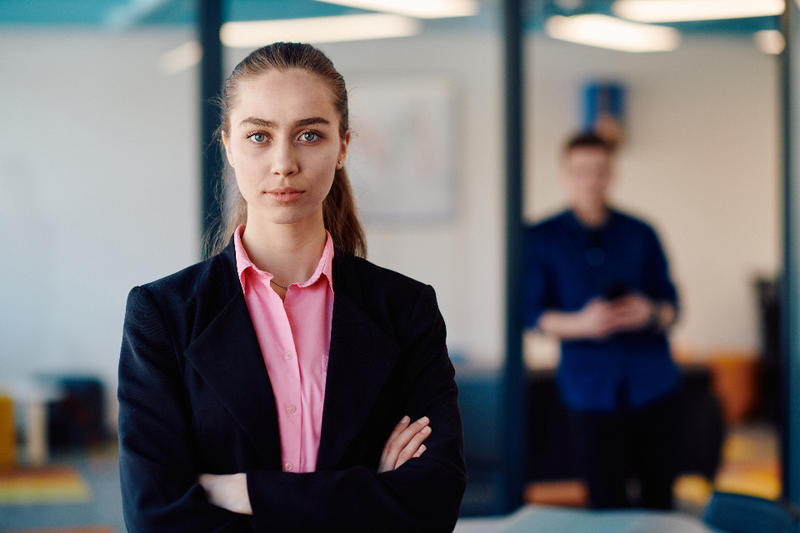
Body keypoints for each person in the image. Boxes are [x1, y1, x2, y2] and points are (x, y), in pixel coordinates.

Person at [117, 42, 466, 532]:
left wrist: (245, 492)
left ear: (343, 146)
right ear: (228, 147)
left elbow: (434, 502)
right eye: (259, 136)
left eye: (308, 134)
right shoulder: (164, 314)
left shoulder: (405, 309)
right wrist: (370, 490)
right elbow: (155, 517)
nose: (283, 162)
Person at [523, 132, 680, 509]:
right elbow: (530, 315)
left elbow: (672, 306)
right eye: (581, 171)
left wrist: (649, 312)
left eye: (600, 170)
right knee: (604, 501)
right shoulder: (540, 238)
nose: (591, 180)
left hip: (652, 381)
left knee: (660, 496)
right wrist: (584, 323)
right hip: (589, 387)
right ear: (565, 174)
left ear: (612, 173)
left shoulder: (642, 232)